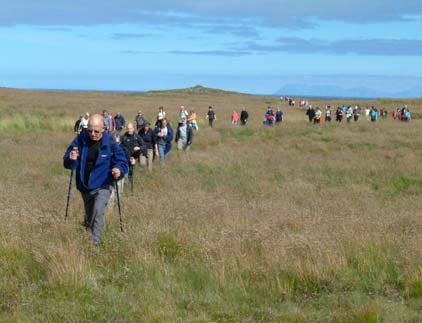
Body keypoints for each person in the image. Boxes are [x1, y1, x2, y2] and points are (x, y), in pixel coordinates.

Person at [63, 114, 128, 247]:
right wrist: (71, 158)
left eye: (96, 131)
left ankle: (94, 247)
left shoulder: (110, 142)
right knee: (89, 217)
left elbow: (122, 162)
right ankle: (87, 237)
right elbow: (67, 162)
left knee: (97, 212)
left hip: (104, 183)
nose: (92, 134)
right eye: (90, 130)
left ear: (103, 129)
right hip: (85, 185)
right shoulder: (81, 140)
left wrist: (118, 170)